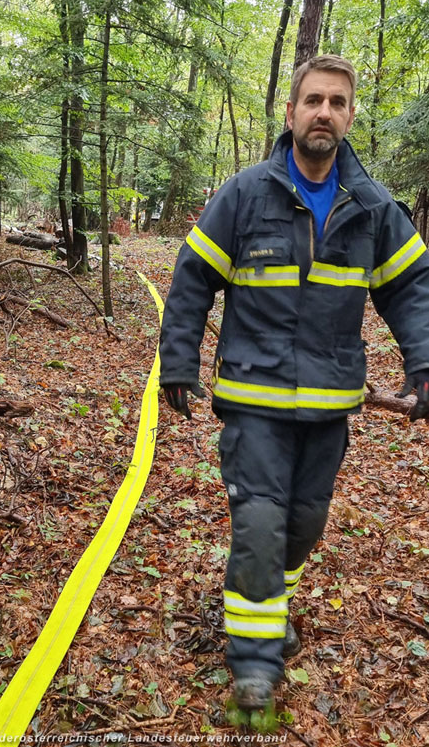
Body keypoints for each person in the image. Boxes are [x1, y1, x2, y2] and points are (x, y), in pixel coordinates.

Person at [159, 55, 429, 710]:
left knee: (302, 525)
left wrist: (424, 365)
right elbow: (193, 277)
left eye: (337, 102)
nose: (324, 112)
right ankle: (254, 662)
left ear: (350, 116)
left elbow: (411, 290)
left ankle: (263, 598)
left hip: (329, 406)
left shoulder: (373, 207)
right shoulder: (246, 194)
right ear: (291, 112)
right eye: (313, 100)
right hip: (253, 399)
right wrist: (178, 361)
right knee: (259, 522)